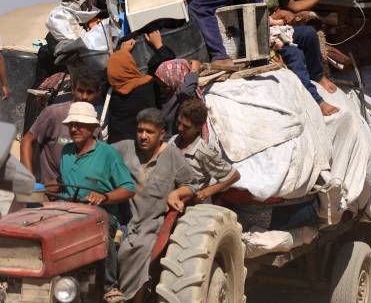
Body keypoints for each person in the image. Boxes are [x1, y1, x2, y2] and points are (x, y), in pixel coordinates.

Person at [55, 102, 136, 303]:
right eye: (71, 124)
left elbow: (129, 188)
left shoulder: (108, 154)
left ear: (93, 128)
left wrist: (105, 197)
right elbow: (64, 182)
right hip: (69, 212)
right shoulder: (66, 151)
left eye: (80, 124)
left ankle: (110, 286)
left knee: (101, 224)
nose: (74, 128)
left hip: (100, 214)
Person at [113, 108, 196, 303]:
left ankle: (134, 299)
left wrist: (176, 193)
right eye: (140, 131)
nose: (143, 136)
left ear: (161, 134)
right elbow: (100, 153)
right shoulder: (125, 147)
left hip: (153, 223)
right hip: (125, 219)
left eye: (149, 132)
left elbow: (191, 185)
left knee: (140, 248)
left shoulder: (172, 154)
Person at [258, 0, 342, 116]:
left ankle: (318, 75)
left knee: (309, 34)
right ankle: (317, 101)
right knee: (295, 55)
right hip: (260, 36)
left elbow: (294, 6)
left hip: (278, 31)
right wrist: (274, 18)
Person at [21, 75, 101, 183]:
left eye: (90, 92)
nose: (84, 97)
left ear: (97, 93)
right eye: (80, 91)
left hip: (76, 189)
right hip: (47, 189)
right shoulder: (54, 113)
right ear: (72, 89)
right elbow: (27, 141)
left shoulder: (95, 122)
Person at [171, 99, 240, 202]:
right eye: (178, 123)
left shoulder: (203, 152)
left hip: (193, 208)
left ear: (198, 128)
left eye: (186, 127)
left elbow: (234, 176)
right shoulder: (173, 141)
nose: (180, 128)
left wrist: (205, 193)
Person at [106, 40, 161, 144]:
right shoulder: (148, 85)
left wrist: (122, 52)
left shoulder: (111, 93)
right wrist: (159, 45)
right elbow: (165, 61)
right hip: (145, 145)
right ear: (131, 64)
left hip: (117, 147)